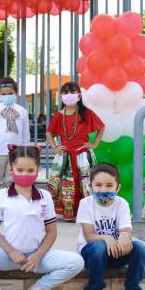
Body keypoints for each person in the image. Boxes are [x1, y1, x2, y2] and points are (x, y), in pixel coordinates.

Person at [0, 145, 84, 290]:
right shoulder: (1, 196)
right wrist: (11, 251)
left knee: (76, 262)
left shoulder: (45, 197)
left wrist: (37, 256)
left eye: (30, 170)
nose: (25, 174)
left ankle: (38, 289)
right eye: (20, 169)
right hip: (7, 257)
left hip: (37, 259)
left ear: (38, 169)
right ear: (10, 168)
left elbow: (51, 232)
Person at [77, 164, 145, 290]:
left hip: (116, 252)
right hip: (93, 254)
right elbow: (89, 235)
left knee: (139, 248)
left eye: (109, 185)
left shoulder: (122, 203)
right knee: (99, 247)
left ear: (117, 188)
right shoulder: (85, 203)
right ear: (91, 186)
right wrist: (107, 238)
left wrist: (125, 235)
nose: (103, 189)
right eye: (98, 185)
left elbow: (125, 230)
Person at [46, 81, 105, 221]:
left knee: (85, 183)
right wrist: (55, 147)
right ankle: (69, 213)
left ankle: (86, 213)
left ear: (79, 95)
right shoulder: (59, 115)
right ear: (61, 96)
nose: (69, 95)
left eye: (73, 92)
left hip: (82, 155)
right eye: (66, 93)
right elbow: (49, 133)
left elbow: (101, 127)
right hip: (65, 156)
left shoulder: (87, 113)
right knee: (66, 184)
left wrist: (95, 143)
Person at [0, 77, 30, 197]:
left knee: (13, 178)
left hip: (16, 151)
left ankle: (11, 202)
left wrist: (25, 150)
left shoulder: (22, 111)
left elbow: (26, 133)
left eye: (10, 93)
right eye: (3, 94)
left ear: (16, 93)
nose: (7, 96)